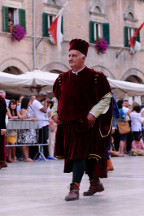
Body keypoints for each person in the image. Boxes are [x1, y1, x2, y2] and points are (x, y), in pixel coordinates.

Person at [52, 38, 112, 201]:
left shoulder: (96, 77)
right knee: (79, 156)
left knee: (79, 155)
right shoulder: (61, 79)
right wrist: (54, 113)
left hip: (86, 125)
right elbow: (57, 98)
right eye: (69, 55)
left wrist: (93, 113)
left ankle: (75, 188)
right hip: (67, 126)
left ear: (83, 58)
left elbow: (106, 98)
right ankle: (95, 182)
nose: (70, 58)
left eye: (74, 55)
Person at [17, 97, 37, 162]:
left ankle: (27, 157)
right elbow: (24, 118)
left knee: (28, 143)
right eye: (29, 101)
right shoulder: (23, 109)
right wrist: (32, 119)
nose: (30, 102)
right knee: (25, 142)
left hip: (30, 127)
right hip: (25, 128)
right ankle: (26, 157)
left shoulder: (29, 109)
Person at [32, 92, 49, 159]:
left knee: (45, 139)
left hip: (44, 123)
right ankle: (38, 154)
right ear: (41, 96)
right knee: (41, 140)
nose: (44, 99)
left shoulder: (38, 102)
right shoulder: (36, 102)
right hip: (40, 124)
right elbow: (44, 110)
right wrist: (45, 103)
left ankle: (46, 155)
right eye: (44, 97)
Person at [0, 90, 7, 169]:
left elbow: (3, 114)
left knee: (1, 144)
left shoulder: (1, 99)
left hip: (0, 124)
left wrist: (3, 128)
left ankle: (2, 161)